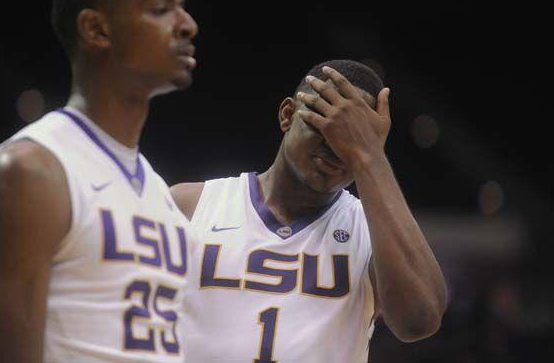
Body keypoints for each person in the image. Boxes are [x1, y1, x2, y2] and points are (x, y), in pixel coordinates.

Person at [0, 0, 198, 363]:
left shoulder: (158, 191)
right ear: (96, 29)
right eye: (161, 9)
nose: (187, 24)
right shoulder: (31, 171)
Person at [172, 59, 447, 362]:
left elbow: (419, 321)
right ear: (288, 115)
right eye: (323, 123)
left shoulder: (372, 231)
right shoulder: (189, 205)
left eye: (352, 136)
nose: (335, 146)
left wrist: (371, 158)